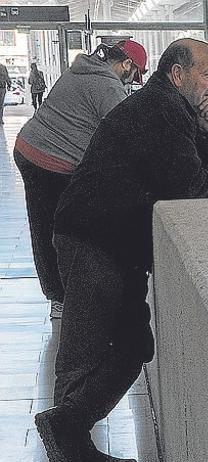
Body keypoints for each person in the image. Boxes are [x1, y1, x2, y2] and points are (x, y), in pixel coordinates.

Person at [34, 39, 208, 462]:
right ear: (177, 74)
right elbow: (190, 185)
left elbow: (196, 174)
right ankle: (69, 446)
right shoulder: (159, 111)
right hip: (93, 239)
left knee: (133, 347)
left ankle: (70, 431)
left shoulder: (176, 112)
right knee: (84, 352)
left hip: (119, 245)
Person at [14, 41, 148, 320]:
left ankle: (60, 295)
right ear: (126, 64)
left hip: (30, 149)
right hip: (50, 162)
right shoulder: (107, 85)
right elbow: (128, 134)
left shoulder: (82, 69)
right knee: (58, 231)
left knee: (45, 227)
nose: (130, 82)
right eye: (134, 75)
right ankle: (61, 298)